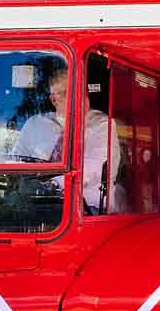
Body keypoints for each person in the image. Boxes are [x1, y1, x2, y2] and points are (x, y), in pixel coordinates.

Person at [15, 65, 121, 213]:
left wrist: (51, 185)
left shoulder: (103, 124)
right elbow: (17, 161)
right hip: (34, 204)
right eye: (66, 93)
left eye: (81, 90)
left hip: (88, 209)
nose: (77, 96)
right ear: (53, 100)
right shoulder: (34, 124)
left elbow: (94, 168)